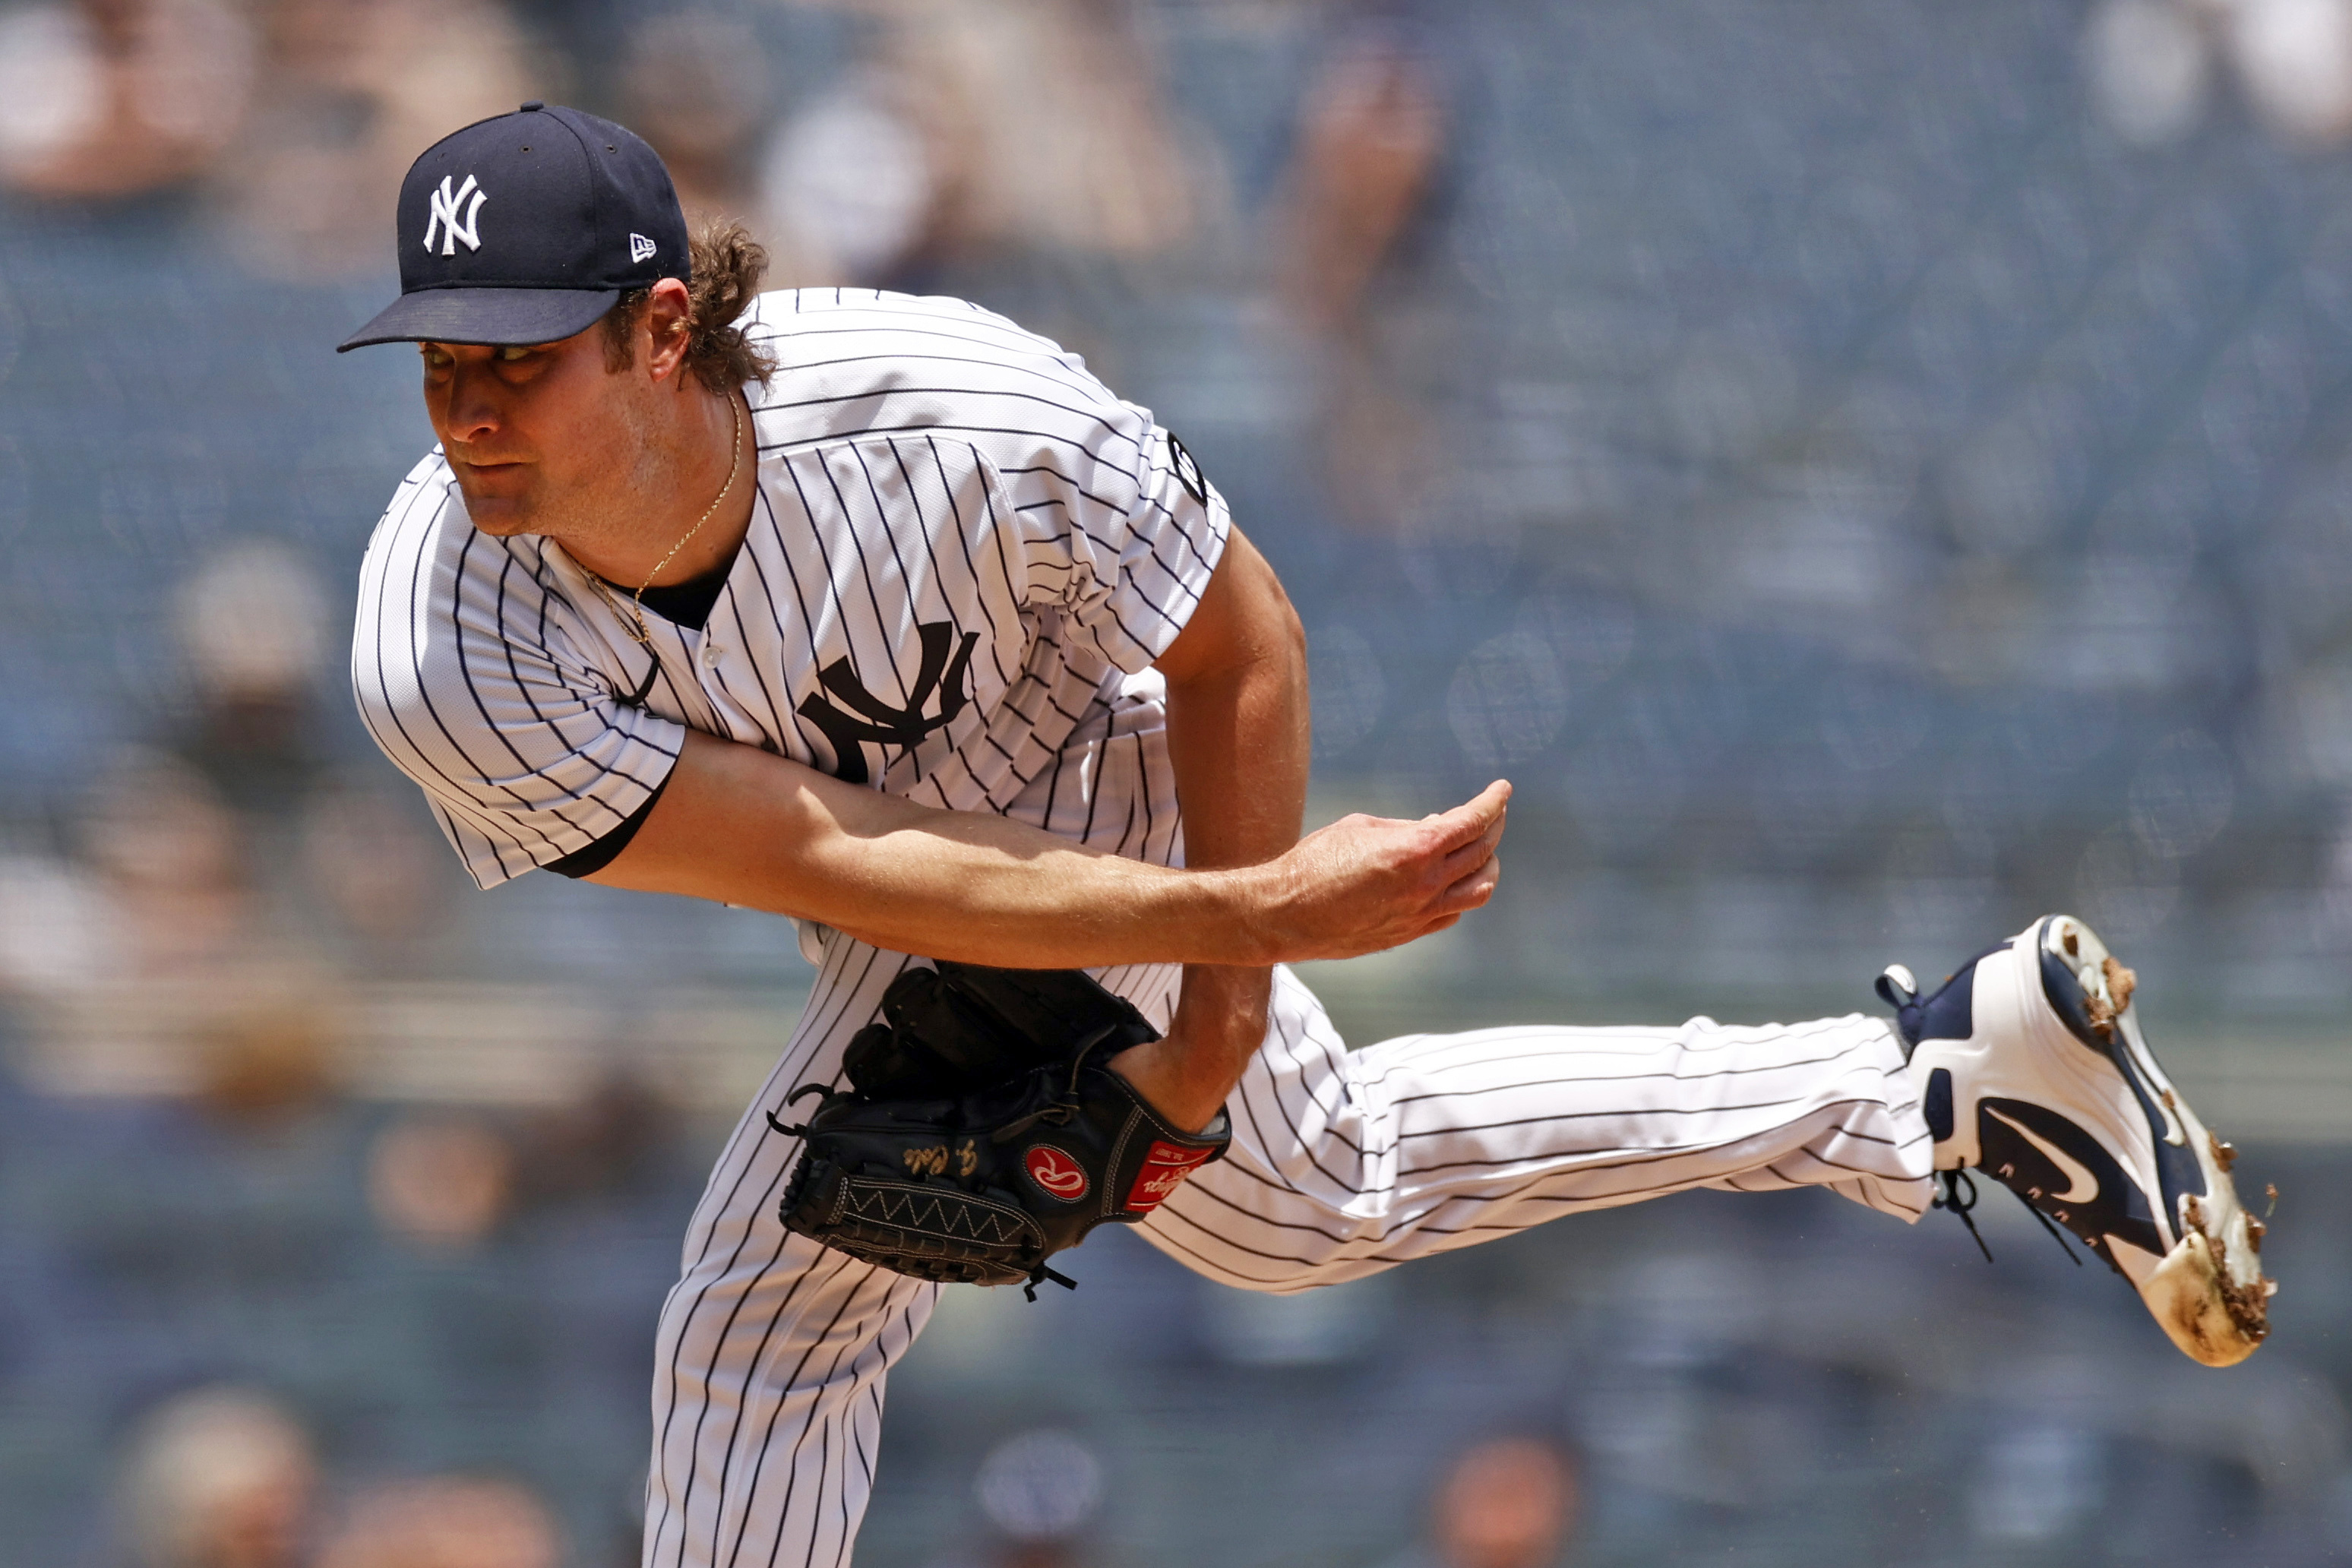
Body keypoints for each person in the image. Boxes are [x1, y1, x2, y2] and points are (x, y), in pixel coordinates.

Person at [336, 105, 2275, 1568]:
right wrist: (1236, 941)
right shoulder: (440, 643)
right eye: (441, 359)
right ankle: (1920, 1078)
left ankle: (1911, 1084)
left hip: (1094, 746)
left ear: (663, 331)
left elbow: (1236, 637)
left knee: (766, 1326)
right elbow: (837, 866)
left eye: (518, 356)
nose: (467, 407)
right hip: (901, 862)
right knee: (1305, 1207)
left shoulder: (959, 411)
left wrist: (1222, 1001)